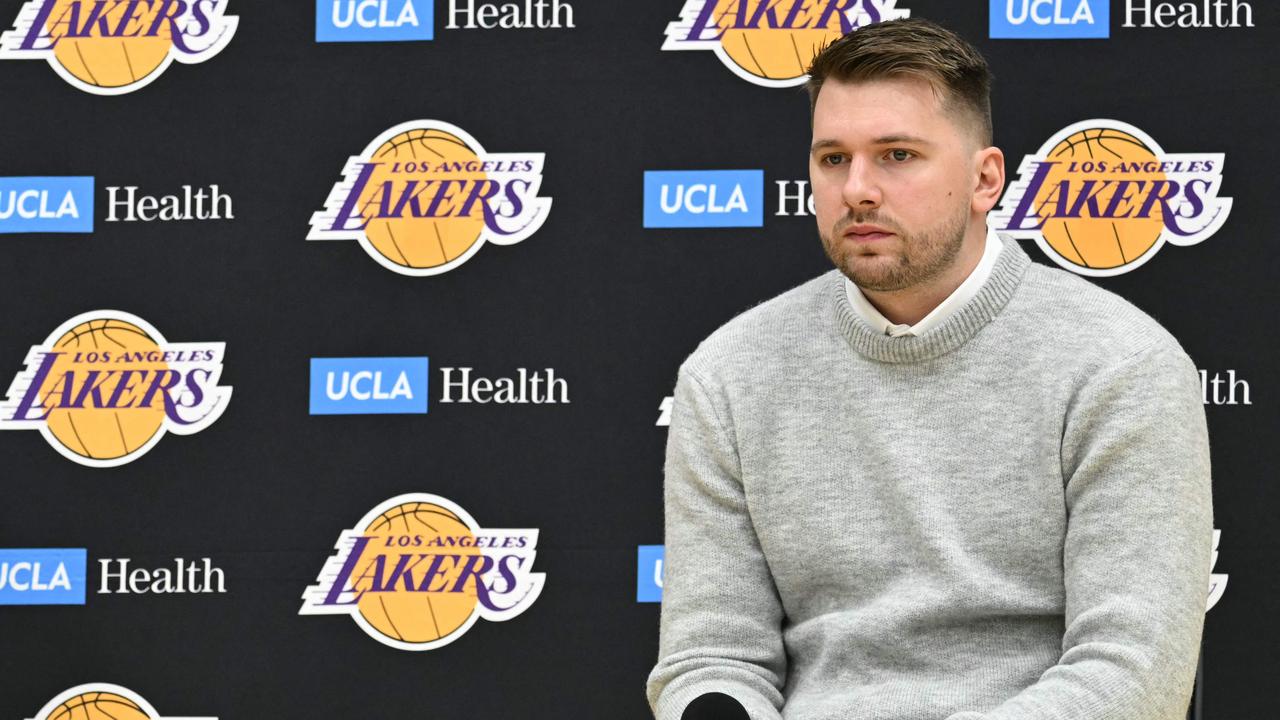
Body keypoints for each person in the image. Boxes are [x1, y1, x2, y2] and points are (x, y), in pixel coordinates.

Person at [646, 17, 1212, 720]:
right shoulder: (728, 373)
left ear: (985, 180)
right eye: (832, 158)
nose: (857, 188)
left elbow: (1132, 675)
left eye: (897, 155)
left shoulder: (1122, 365)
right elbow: (712, 659)